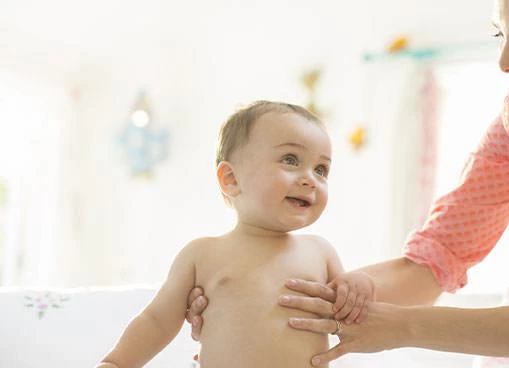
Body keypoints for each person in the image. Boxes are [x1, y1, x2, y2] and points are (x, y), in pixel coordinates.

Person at [187, 0, 509, 365]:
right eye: (501, 35)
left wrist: (403, 327)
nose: (504, 62)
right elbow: (432, 262)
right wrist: (264, 301)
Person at [96, 101, 375, 368]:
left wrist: (360, 285)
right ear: (231, 179)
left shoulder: (320, 252)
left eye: (321, 169)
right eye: (290, 160)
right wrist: (118, 362)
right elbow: (157, 320)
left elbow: (354, 319)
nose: (310, 179)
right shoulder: (202, 254)